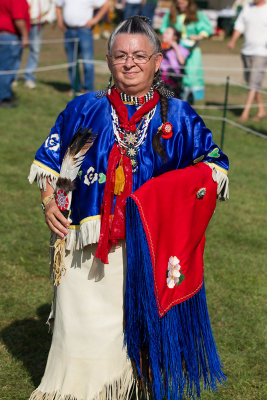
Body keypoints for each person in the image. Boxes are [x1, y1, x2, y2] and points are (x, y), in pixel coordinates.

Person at [28, 16, 229, 400]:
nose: (130, 63)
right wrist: (49, 201)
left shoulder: (180, 117)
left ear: (157, 61)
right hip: (83, 248)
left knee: (134, 342)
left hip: (145, 250)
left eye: (140, 55)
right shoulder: (83, 109)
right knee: (82, 345)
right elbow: (50, 165)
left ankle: (130, 386)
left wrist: (158, 198)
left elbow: (215, 166)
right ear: (107, 61)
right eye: (120, 55)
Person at [160, 0, 213, 101]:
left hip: (192, 50)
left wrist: (199, 36)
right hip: (175, 50)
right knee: (175, 75)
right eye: (178, 2)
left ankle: (189, 100)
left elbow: (206, 29)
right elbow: (165, 29)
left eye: (183, 2)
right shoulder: (171, 14)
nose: (180, 3)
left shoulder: (198, 14)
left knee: (191, 75)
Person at [56, 0, 109, 95]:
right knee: (72, 62)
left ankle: (88, 90)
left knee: (87, 62)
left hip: (84, 31)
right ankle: (75, 88)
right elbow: (58, 6)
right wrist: (60, 22)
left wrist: (95, 20)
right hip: (69, 30)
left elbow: (106, 4)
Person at [228, 0, 267, 122]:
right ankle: (261, 110)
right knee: (252, 82)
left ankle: (245, 113)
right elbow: (240, 25)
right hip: (246, 51)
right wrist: (233, 40)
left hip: (262, 52)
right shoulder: (248, 7)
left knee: (254, 82)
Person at [0, 0, 30, 108]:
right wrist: (25, 36)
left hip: (4, 36)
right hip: (9, 37)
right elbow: (18, 19)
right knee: (7, 69)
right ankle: (4, 98)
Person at [22, 0, 56, 89]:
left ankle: (29, 77)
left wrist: (49, 18)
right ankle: (11, 77)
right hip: (21, 20)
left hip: (38, 22)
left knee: (35, 49)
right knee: (17, 49)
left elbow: (53, 3)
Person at [160, 26, 189, 98]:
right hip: (160, 77)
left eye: (167, 33)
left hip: (173, 79)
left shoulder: (181, 49)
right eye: (165, 32)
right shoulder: (159, 47)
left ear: (174, 37)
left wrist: (176, 48)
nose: (164, 34)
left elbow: (182, 62)